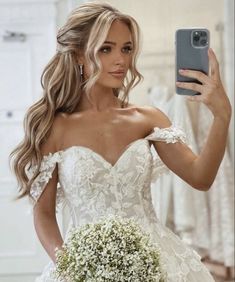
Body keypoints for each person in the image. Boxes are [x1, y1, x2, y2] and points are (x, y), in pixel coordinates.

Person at [10, 1, 231, 281]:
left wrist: (222, 115)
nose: (121, 60)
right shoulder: (54, 128)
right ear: (78, 54)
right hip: (83, 268)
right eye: (106, 49)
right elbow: (43, 216)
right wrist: (76, 269)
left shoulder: (147, 118)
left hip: (156, 260)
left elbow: (201, 177)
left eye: (126, 49)